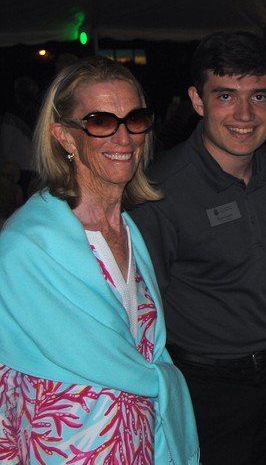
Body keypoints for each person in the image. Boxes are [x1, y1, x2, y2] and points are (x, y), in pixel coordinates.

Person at [0, 57, 198, 463]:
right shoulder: (27, 246)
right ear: (65, 137)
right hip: (65, 448)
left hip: (138, 442)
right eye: (101, 122)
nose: (124, 138)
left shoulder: (129, 229)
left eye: (135, 118)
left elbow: (143, 353)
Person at [130, 32, 266, 464]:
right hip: (204, 382)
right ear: (197, 101)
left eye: (259, 96)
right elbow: (140, 311)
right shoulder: (160, 192)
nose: (244, 114)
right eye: (225, 95)